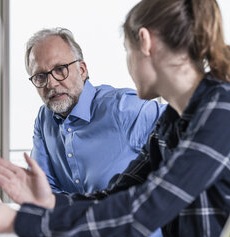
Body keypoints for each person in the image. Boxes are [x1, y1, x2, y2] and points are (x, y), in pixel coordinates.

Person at [0, 0, 230, 237]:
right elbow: (114, 196)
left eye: (126, 50)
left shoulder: (228, 107)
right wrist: (49, 203)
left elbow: (144, 211)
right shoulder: (171, 123)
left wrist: (15, 220)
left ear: (144, 42)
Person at [22, 28, 164, 195]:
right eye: (40, 76)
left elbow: (185, 124)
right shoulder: (44, 119)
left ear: (82, 70)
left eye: (60, 69)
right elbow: (42, 191)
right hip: (77, 220)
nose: (51, 84)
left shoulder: (124, 108)